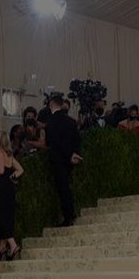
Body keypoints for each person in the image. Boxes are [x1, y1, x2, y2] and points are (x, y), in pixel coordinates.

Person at [44, 94, 82, 227]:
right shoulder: (71, 121)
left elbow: (51, 142)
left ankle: (68, 216)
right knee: (67, 187)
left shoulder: (51, 121)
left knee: (62, 188)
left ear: (51, 105)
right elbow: (77, 140)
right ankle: (71, 213)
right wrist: (74, 154)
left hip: (58, 159)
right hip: (70, 160)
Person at [0, 131, 24, 261]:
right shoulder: (9, 154)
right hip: (9, 188)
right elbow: (20, 170)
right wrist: (12, 176)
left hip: (0, 188)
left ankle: (13, 246)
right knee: (6, 216)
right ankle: (1, 249)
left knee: (0, 216)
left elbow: (0, 170)